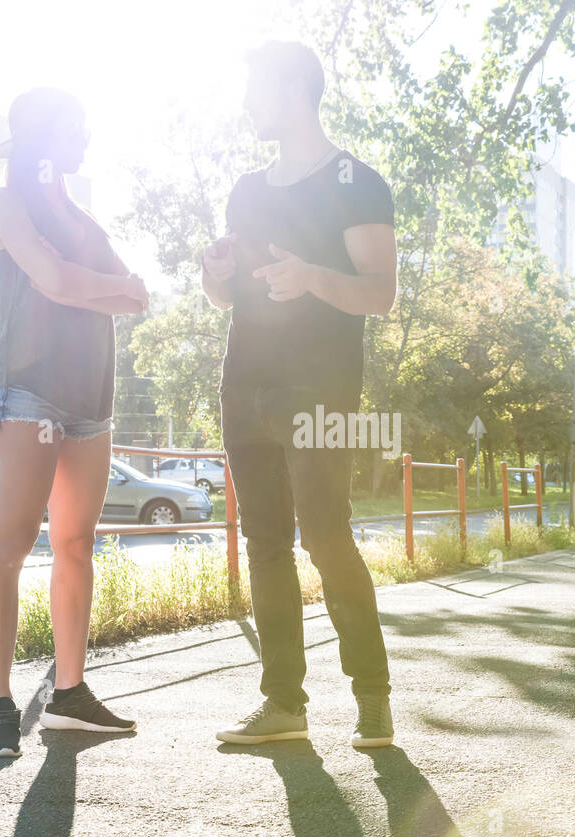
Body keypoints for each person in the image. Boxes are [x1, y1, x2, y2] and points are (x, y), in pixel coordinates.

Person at [201, 41, 399, 748]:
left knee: (323, 531)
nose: (248, 103)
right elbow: (225, 292)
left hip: (321, 388)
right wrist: (216, 271)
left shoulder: (357, 182)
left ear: (292, 90)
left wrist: (313, 277)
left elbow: (381, 292)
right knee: (264, 541)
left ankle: (372, 696)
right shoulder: (247, 191)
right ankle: (283, 703)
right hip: (245, 382)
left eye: (256, 87)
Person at [0, 87, 147, 758]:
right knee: (12, 545)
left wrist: (100, 285)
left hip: (91, 402)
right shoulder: (7, 204)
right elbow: (51, 280)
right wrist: (102, 286)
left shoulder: (83, 218)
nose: (87, 140)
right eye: (77, 129)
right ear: (43, 139)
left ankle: (69, 695)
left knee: (75, 545)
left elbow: (137, 292)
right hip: (27, 394)